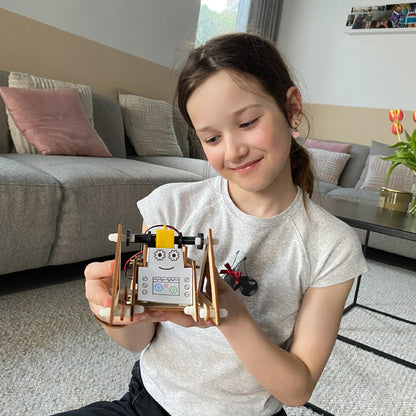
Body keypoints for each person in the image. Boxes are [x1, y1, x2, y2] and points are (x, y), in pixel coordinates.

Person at [55, 33, 367, 416]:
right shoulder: (171, 206)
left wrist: (230, 312)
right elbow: (138, 339)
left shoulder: (332, 244)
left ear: (292, 108)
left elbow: (297, 390)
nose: (233, 150)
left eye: (248, 122)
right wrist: (113, 311)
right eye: (213, 138)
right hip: (148, 402)